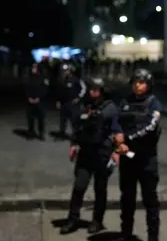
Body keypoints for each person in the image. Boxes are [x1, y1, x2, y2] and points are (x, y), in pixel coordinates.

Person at [61, 77, 121, 235]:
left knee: (100, 189)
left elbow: (117, 131)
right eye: (91, 89)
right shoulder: (84, 105)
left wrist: (116, 152)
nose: (92, 91)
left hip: (102, 153)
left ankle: (97, 221)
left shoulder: (110, 108)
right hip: (86, 152)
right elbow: (78, 128)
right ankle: (73, 219)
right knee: (79, 187)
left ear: (102, 91)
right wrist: (73, 144)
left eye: (96, 89)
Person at [114, 68, 164, 241]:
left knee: (150, 201)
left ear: (148, 84)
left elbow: (150, 128)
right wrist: (119, 140)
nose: (138, 85)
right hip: (128, 158)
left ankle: (153, 237)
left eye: (141, 82)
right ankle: (125, 233)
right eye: (135, 82)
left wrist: (127, 139)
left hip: (146, 159)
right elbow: (116, 122)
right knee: (127, 199)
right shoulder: (125, 102)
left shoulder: (153, 103)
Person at [56, 64, 86, 139]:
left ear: (70, 71)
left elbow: (83, 89)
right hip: (64, 103)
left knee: (74, 120)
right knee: (63, 120)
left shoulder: (76, 80)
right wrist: (58, 101)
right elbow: (60, 92)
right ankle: (62, 134)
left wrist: (78, 97)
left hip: (73, 103)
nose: (65, 72)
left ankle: (75, 135)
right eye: (64, 71)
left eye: (66, 70)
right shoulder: (62, 80)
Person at [25, 63, 49, 140]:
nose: (32, 69)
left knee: (41, 118)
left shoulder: (43, 78)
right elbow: (26, 89)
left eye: (34, 68)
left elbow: (45, 90)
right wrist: (29, 98)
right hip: (30, 102)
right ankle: (31, 133)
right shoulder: (29, 78)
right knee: (30, 118)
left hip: (40, 102)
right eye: (32, 68)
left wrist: (39, 98)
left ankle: (41, 133)